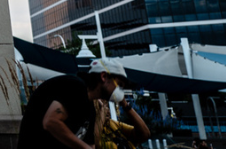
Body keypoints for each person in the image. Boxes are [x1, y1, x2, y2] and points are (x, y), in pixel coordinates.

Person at [17, 58, 150, 148]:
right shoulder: (75, 86)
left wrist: (124, 104)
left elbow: (89, 143)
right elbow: (51, 122)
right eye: (119, 85)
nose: (120, 90)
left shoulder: (89, 110)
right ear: (104, 77)